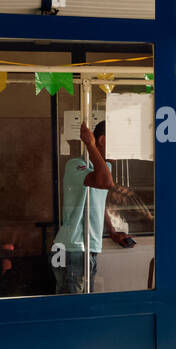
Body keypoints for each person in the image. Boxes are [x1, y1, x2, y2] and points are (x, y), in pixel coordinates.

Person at [52, 122, 131, 293]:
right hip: (73, 247)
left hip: (87, 247)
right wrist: (90, 144)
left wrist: (111, 230)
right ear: (102, 140)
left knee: (84, 305)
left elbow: (96, 202)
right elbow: (106, 183)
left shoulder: (105, 167)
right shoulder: (75, 164)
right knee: (75, 309)